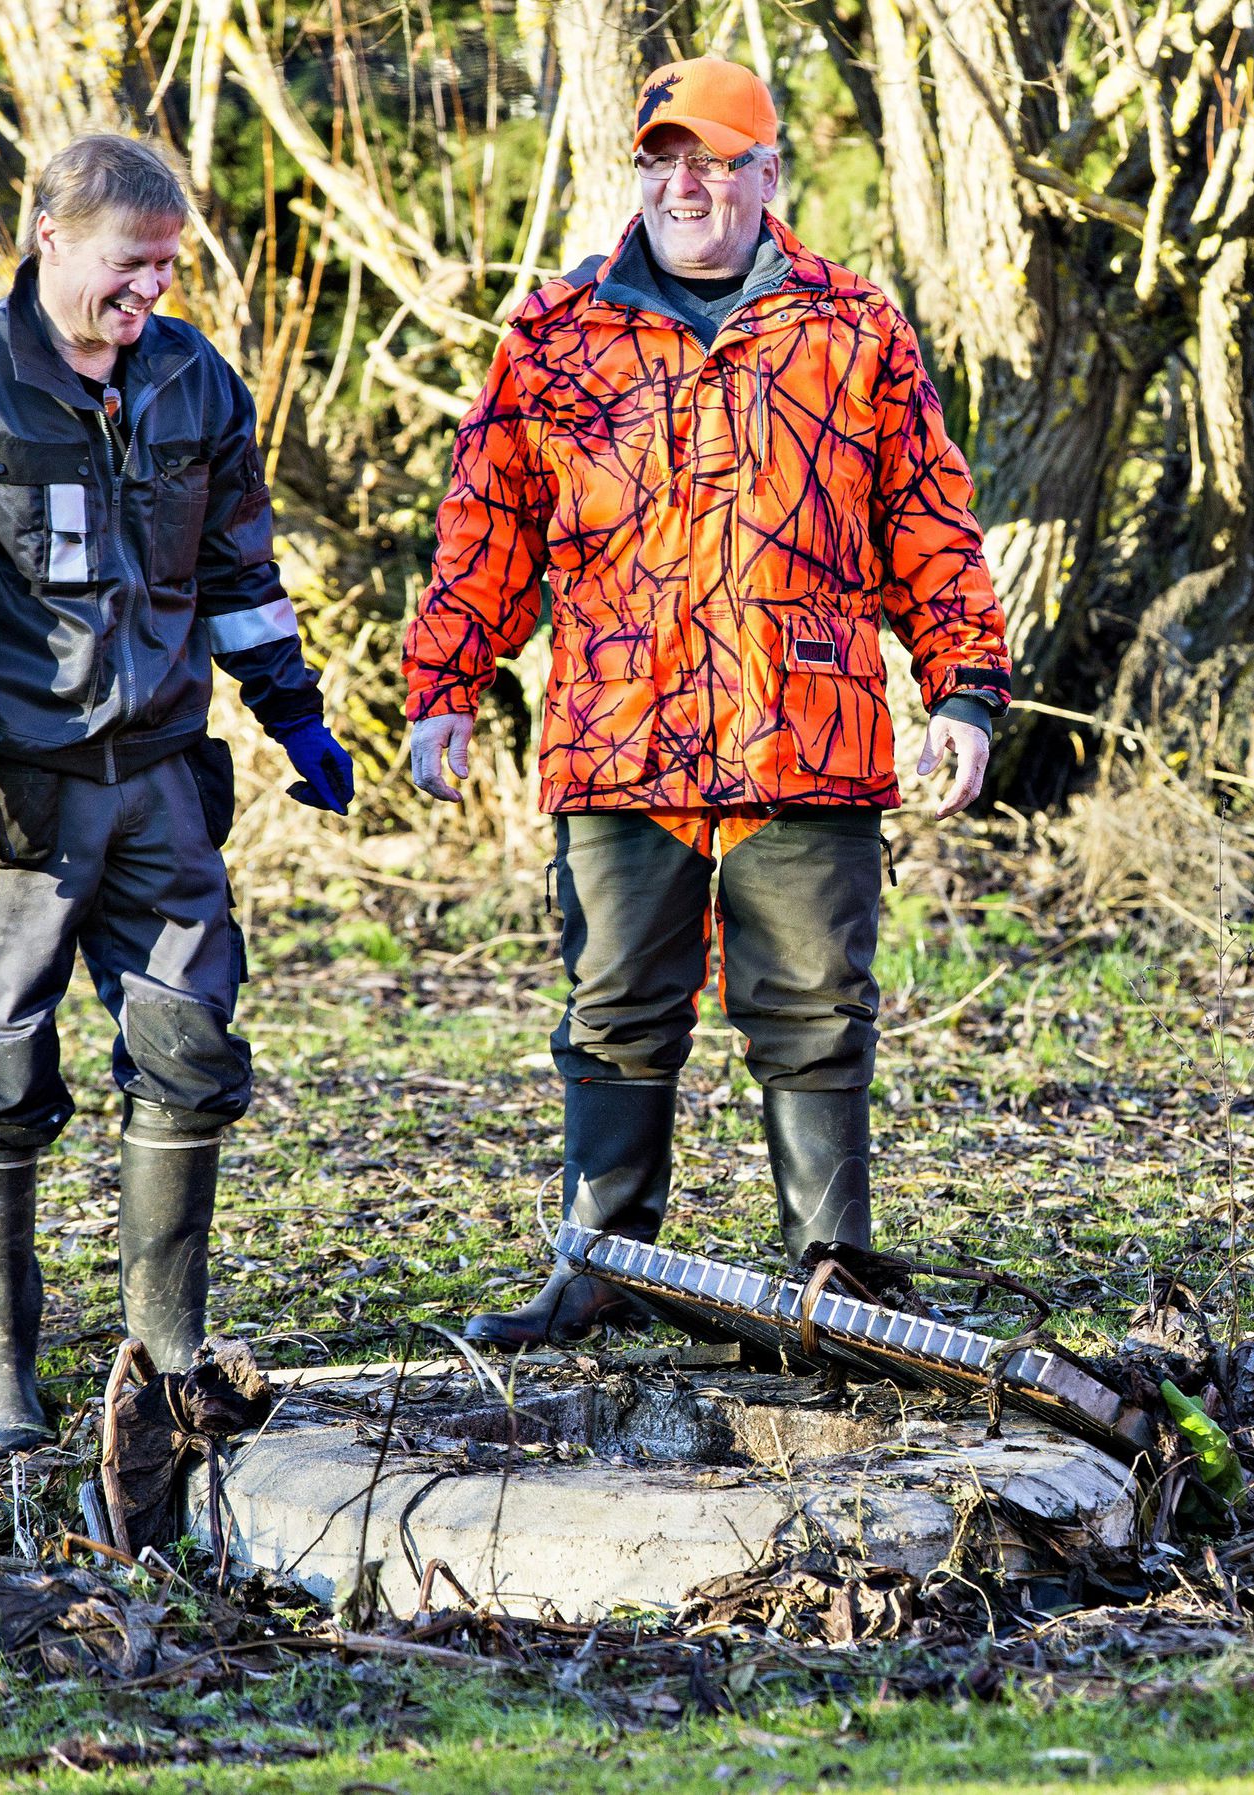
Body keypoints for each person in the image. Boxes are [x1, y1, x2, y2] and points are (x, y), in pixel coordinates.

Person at [403, 58, 1011, 1346]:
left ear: (769, 174)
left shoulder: (855, 326)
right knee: (616, 1008)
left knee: (816, 1014)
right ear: (641, 176)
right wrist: (447, 682)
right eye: (667, 160)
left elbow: (929, 520)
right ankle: (602, 1265)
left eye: (720, 159)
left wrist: (964, 691)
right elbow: (488, 524)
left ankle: (833, 1277)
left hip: (809, 732)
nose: (691, 184)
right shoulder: (555, 335)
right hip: (620, 739)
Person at [0, 136, 354, 1453]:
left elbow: (239, 570)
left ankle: (168, 1355)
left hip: (162, 785)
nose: (151, 291)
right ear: (51, 240)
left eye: (169, 267)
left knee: (191, 1053)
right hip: (11, 801)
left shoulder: (195, 382)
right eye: (131, 265)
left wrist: (293, 711)